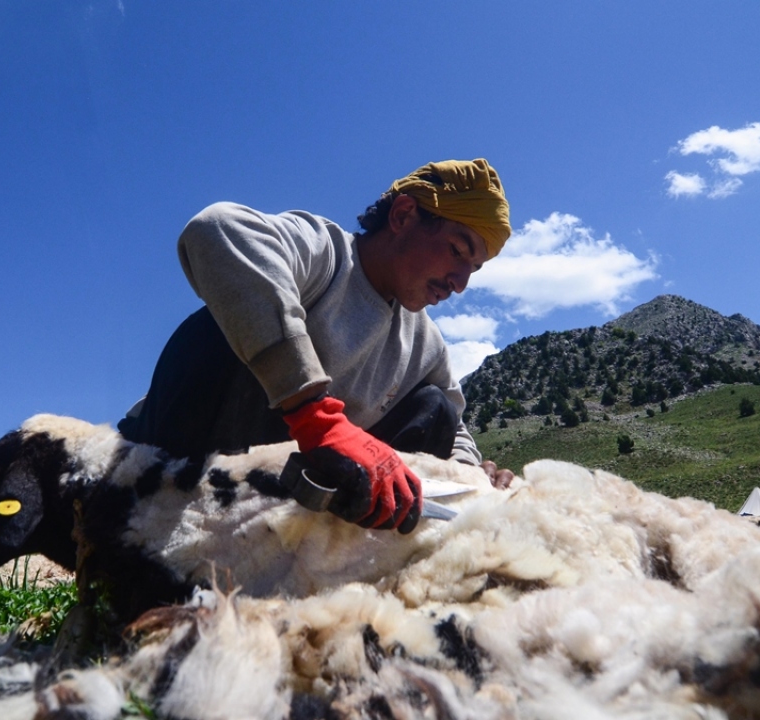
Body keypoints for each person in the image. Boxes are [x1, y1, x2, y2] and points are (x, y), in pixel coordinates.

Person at [119, 158, 514, 534]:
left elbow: (454, 426)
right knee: (219, 329)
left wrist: (471, 478)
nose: (460, 282)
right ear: (403, 215)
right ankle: (156, 516)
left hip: (273, 500)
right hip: (168, 457)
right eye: (458, 251)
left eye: (473, 269)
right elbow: (216, 226)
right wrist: (315, 416)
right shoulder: (326, 254)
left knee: (435, 410)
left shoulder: (424, 343)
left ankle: (325, 556)